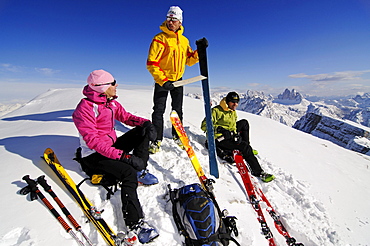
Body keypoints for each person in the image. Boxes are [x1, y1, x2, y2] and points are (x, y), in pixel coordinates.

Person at [72, 69, 159, 243]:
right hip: (94, 156)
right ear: (102, 87)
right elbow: (94, 143)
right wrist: (124, 157)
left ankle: (140, 169)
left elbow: (125, 117)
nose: (116, 85)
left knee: (141, 132)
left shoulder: (110, 102)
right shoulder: (85, 109)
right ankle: (135, 223)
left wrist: (146, 123)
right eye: (112, 83)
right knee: (127, 173)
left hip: (110, 147)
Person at [146, 6, 199, 154]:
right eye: (168, 19)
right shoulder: (159, 38)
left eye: (173, 19)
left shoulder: (184, 41)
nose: (170, 22)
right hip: (163, 81)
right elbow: (151, 63)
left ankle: (178, 136)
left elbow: (188, 60)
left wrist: (199, 52)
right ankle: (156, 140)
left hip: (178, 81)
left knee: (177, 110)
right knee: (158, 111)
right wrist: (163, 80)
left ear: (180, 22)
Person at [201, 92, 275, 183]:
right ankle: (259, 173)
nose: (235, 104)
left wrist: (235, 135)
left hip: (229, 135)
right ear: (227, 101)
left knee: (244, 123)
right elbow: (204, 126)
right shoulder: (216, 111)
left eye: (237, 102)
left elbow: (232, 127)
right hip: (218, 138)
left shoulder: (232, 111)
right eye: (233, 102)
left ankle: (246, 149)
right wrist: (220, 130)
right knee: (244, 147)